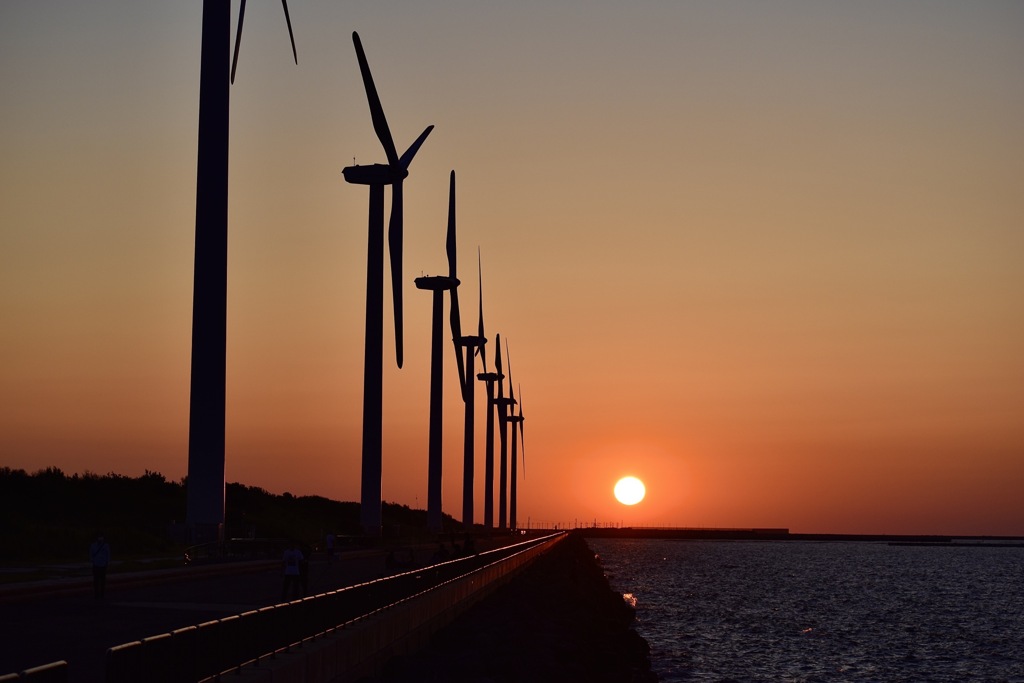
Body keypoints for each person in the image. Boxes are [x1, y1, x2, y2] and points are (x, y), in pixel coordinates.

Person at [89, 534, 110, 599]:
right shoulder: (93, 546)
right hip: (96, 564)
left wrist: (107, 562)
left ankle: (102, 593)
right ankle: (96, 594)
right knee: (96, 580)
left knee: (102, 580)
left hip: (102, 564)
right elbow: (91, 554)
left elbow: (108, 554)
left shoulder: (106, 546)